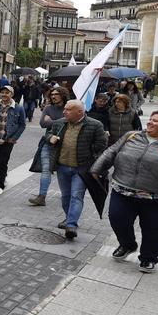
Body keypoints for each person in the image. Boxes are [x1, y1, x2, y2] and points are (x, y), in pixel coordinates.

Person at [91, 110, 158, 273]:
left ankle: (149, 258)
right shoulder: (132, 136)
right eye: (150, 119)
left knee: (155, 229)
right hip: (123, 191)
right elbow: (112, 151)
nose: (149, 123)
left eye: (155, 121)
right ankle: (127, 245)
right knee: (117, 220)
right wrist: (98, 167)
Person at [46, 100, 107, 239]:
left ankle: (71, 225)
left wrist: (92, 161)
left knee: (76, 196)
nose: (64, 111)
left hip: (82, 168)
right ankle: (69, 218)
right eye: (65, 109)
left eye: (68, 109)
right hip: (62, 166)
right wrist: (51, 138)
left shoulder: (95, 125)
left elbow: (101, 145)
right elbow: (47, 134)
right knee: (66, 196)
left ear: (79, 112)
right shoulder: (60, 123)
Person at [29, 87, 69, 206]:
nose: (53, 96)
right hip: (48, 142)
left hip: (65, 144)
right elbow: (43, 124)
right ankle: (42, 196)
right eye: (52, 94)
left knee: (64, 172)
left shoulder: (69, 108)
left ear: (63, 95)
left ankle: (67, 195)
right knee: (46, 170)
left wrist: (52, 121)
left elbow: (72, 122)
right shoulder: (48, 108)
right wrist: (63, 120)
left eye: (56, 94)